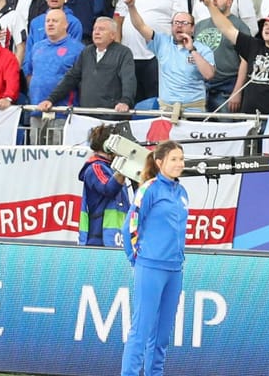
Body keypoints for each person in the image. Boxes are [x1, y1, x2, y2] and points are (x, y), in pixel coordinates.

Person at [119, 143, 189, 376]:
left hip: (174, 270)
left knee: (161, 337)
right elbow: (129, 226)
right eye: (173, 159)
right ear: (160, 163)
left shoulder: (182, 193)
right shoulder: (149, 189)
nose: (179, 164)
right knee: (141, 332)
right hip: (150, 267)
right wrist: (137, 261)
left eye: (181, 159)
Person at [78, 124, 130, 248]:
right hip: (99, 241)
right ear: (108, 146)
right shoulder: (95, 167)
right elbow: (109, 189)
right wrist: (124, 166)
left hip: (116, 239)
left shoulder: (112, 168)